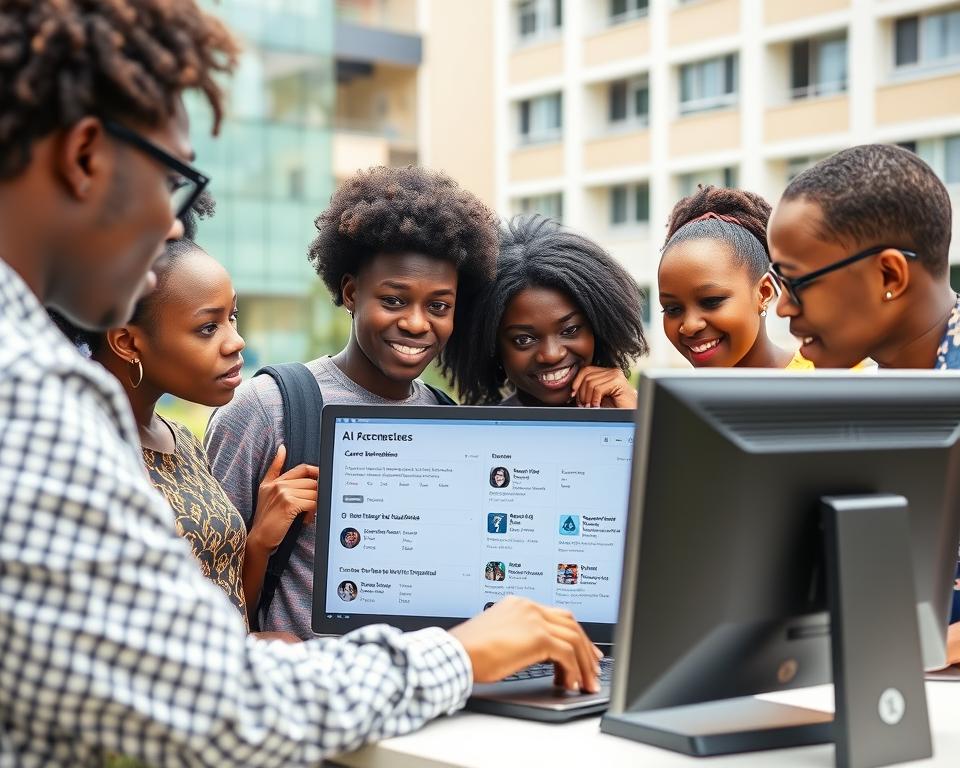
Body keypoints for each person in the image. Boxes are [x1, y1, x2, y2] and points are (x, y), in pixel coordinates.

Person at [0, 4, 601, 766]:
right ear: (87, 156)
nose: (178, 228)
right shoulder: (27, 393)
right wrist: (464, 655)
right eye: (173, 180)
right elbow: (216, 705)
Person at [207, 165, 504, 637]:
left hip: (431, 693)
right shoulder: (268, 408)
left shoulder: (449, 421)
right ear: (350, 292)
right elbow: (200, 596)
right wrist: (259, 545)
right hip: (307, 697)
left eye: (439, 306)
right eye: (393, 300)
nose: (416, 323)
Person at [52, 196, 318, 633]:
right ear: (127, 342)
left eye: (233, 317)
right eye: (208, 327)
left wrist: (259, 544)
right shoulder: (80, 450)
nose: (237, 343)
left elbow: (226, 609)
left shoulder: (184, 443)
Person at [766, 143, 959, 664]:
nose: (782, 305)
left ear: (889, 276)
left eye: (797, 281)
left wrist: (924, 644)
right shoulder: (854, 398)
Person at [444, 214, 648, 407]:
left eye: (570, 330)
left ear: (599, 328)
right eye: (523, 339)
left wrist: (632, 418)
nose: (551, 355)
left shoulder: (630, 408)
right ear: (492, 347)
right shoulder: (481, 436)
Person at [658, 185, 809, 370]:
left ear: (764, 292)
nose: (689, 326)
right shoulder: (674, 397)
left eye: (711, 301)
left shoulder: (826, 385)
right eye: (672, 309)